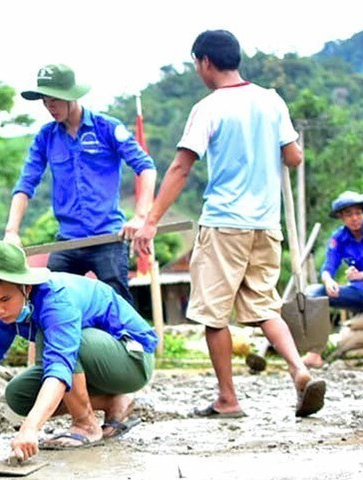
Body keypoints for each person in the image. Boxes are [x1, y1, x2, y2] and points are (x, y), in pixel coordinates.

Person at [131, 29, 326, 418]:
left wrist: (150, 221)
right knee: (266, 306)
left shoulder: (209, 107)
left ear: (205, 62)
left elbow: (181, 166)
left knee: (212, 314)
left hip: (224, 223)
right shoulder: (272, 101)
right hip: (266, 225)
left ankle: (227, 399)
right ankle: (299, 370)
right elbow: (294, 157)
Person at [0, 240, 157, 458]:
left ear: (27, 287)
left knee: (53, 337)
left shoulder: (57, 300)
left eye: (5, 299)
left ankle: (86, 424)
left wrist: (30, 428)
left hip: (132, 359)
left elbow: (61, 363)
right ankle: (114, 402)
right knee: (18, 396)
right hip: (88, 363)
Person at [3, 63, 157, 304]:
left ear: (71, 96)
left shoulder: (107, 128)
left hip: (107, 237)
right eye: (44, 100)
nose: (49, 106)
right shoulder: (46, 137)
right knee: (49, 300)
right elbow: (25, 184)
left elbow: (146, 167)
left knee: (118, 305)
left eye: (54, 99)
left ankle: (132, 342)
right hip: (68, 239)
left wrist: (140, 216)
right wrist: (11, 232)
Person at [302, 192, 363, 369]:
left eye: (358, 213)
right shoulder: (338, 238)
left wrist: (362, 276)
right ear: (341, 217)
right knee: (312, 292)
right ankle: (315, 353)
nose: (355, 218)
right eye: (349, 214)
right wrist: (329, 281)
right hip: (356, 293)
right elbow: (327, 268)